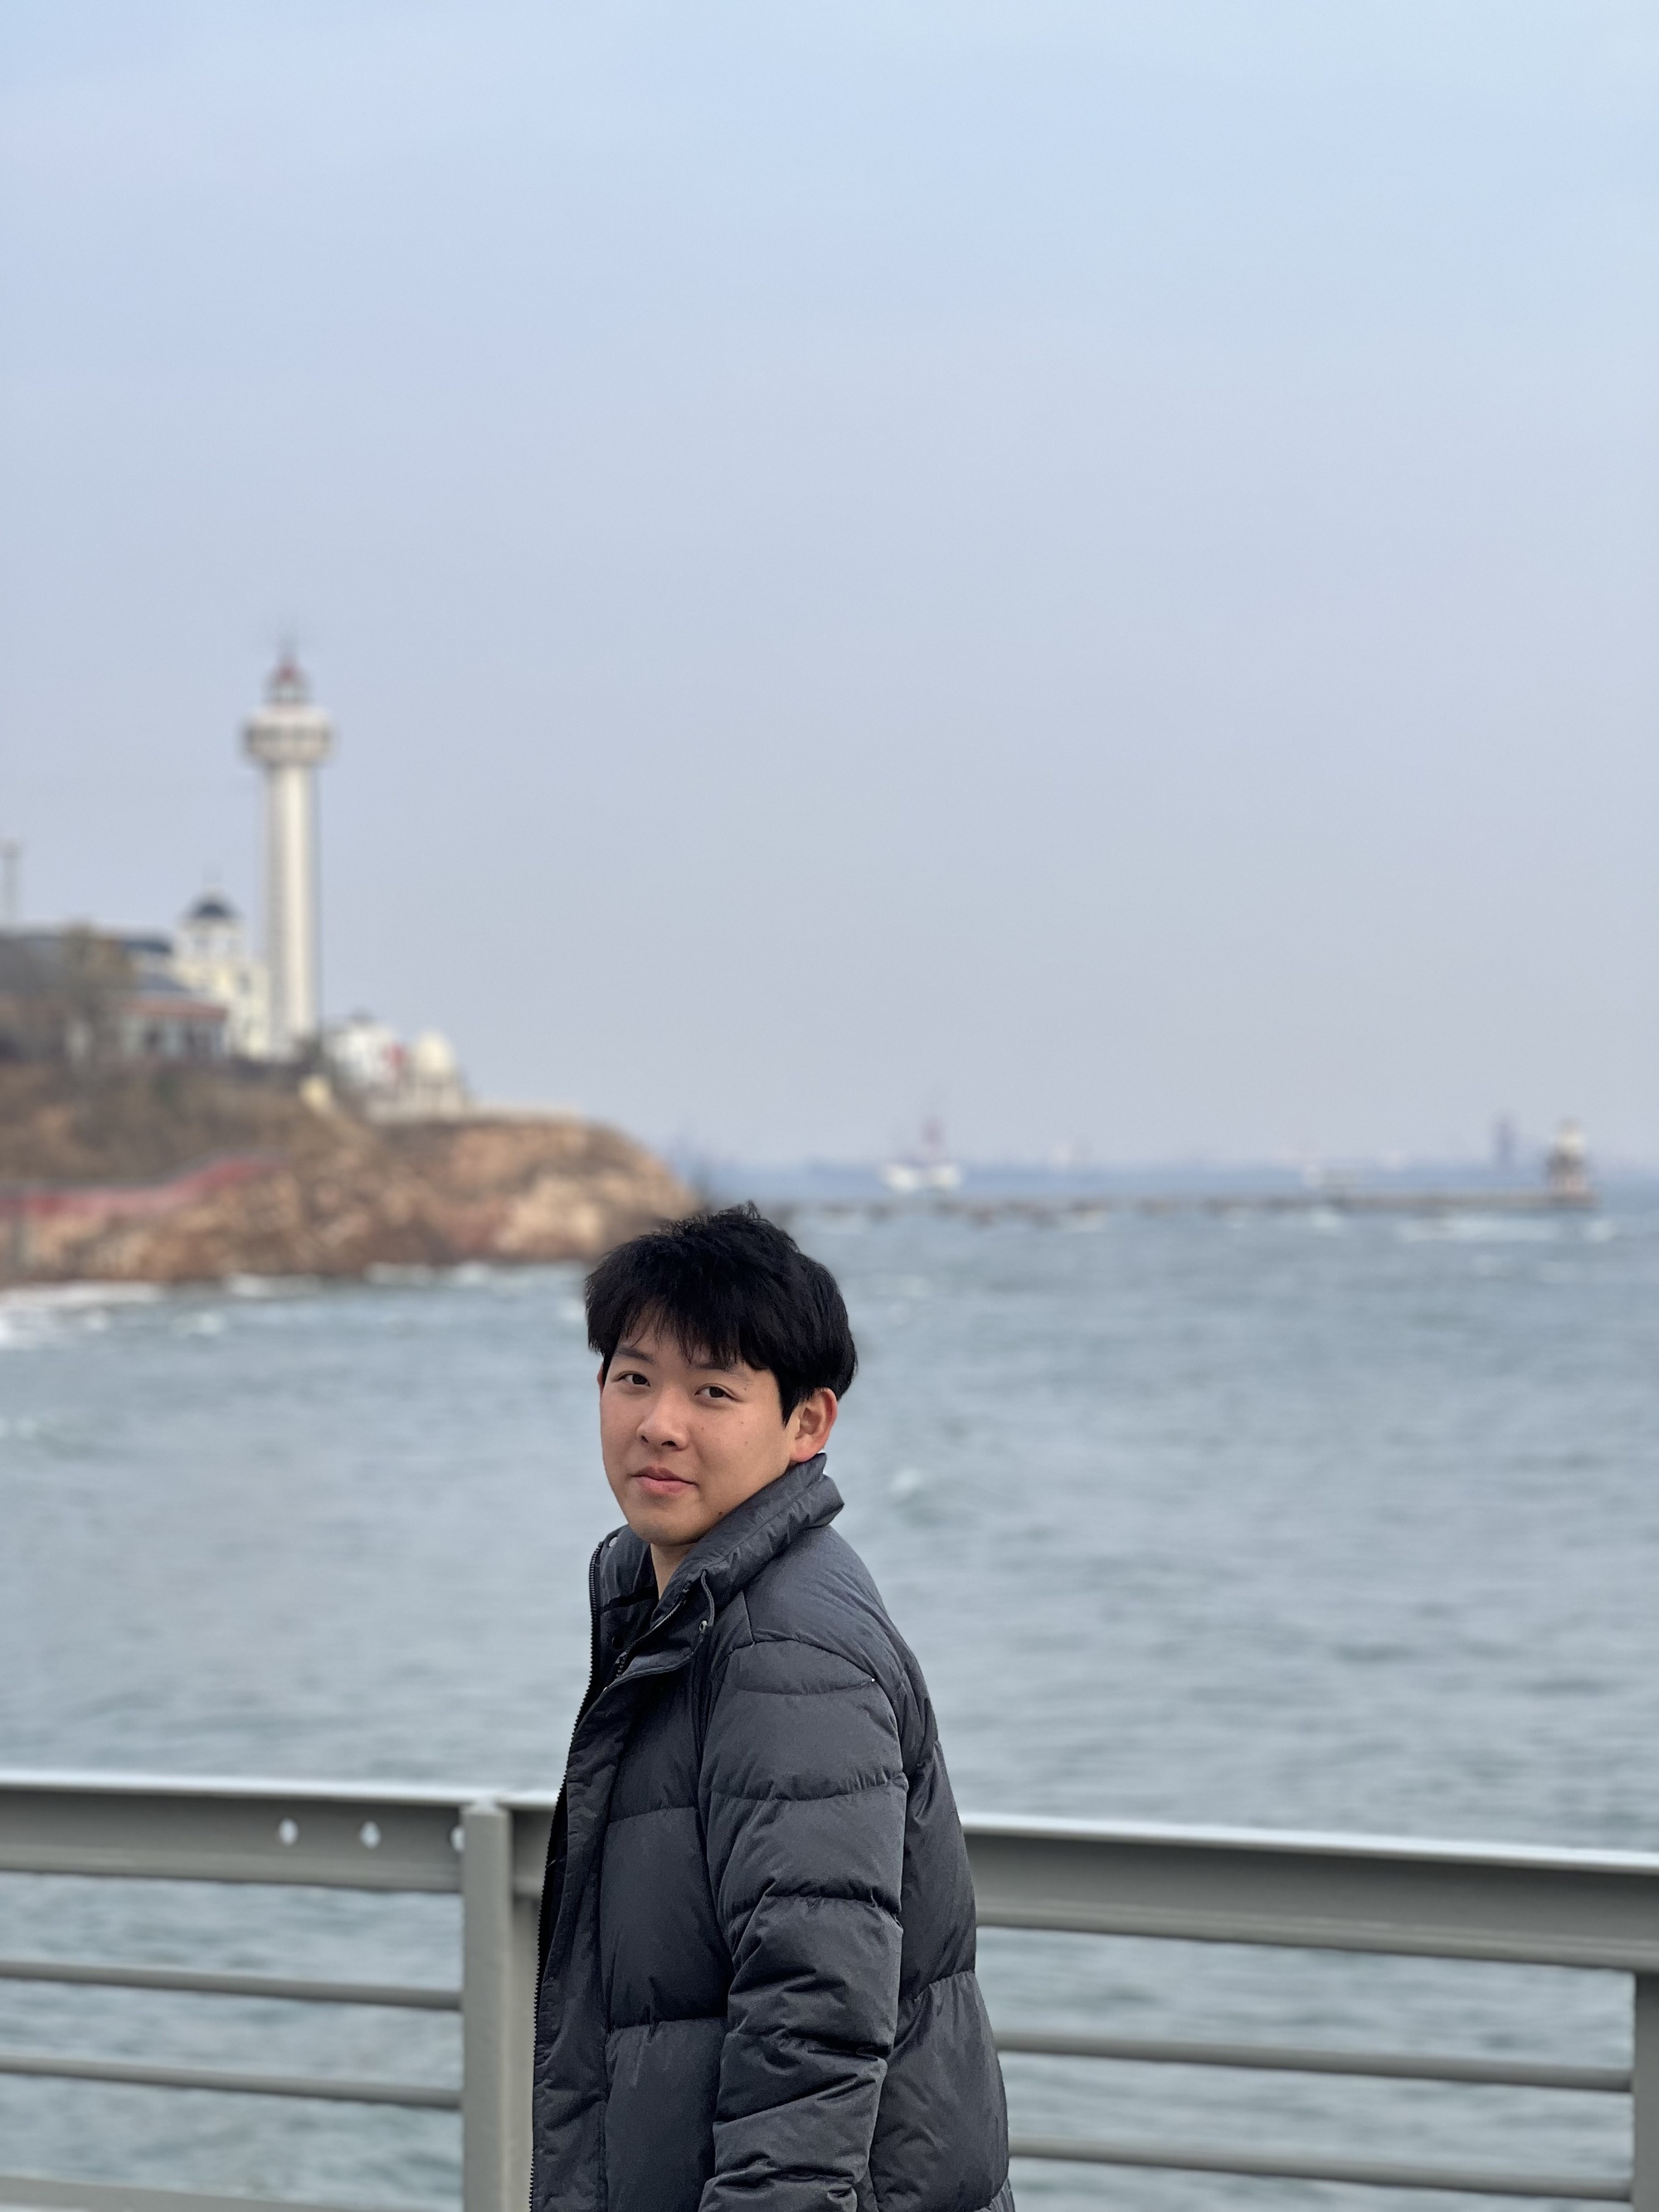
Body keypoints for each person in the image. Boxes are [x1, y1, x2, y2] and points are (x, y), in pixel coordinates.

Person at [533, 1203, 1014, 2212]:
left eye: (712, 1390)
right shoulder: (680, 1607)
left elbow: (812, 2024)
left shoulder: (781, 1646)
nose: (659, 1423)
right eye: (633, 1378)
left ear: (807, 1424)